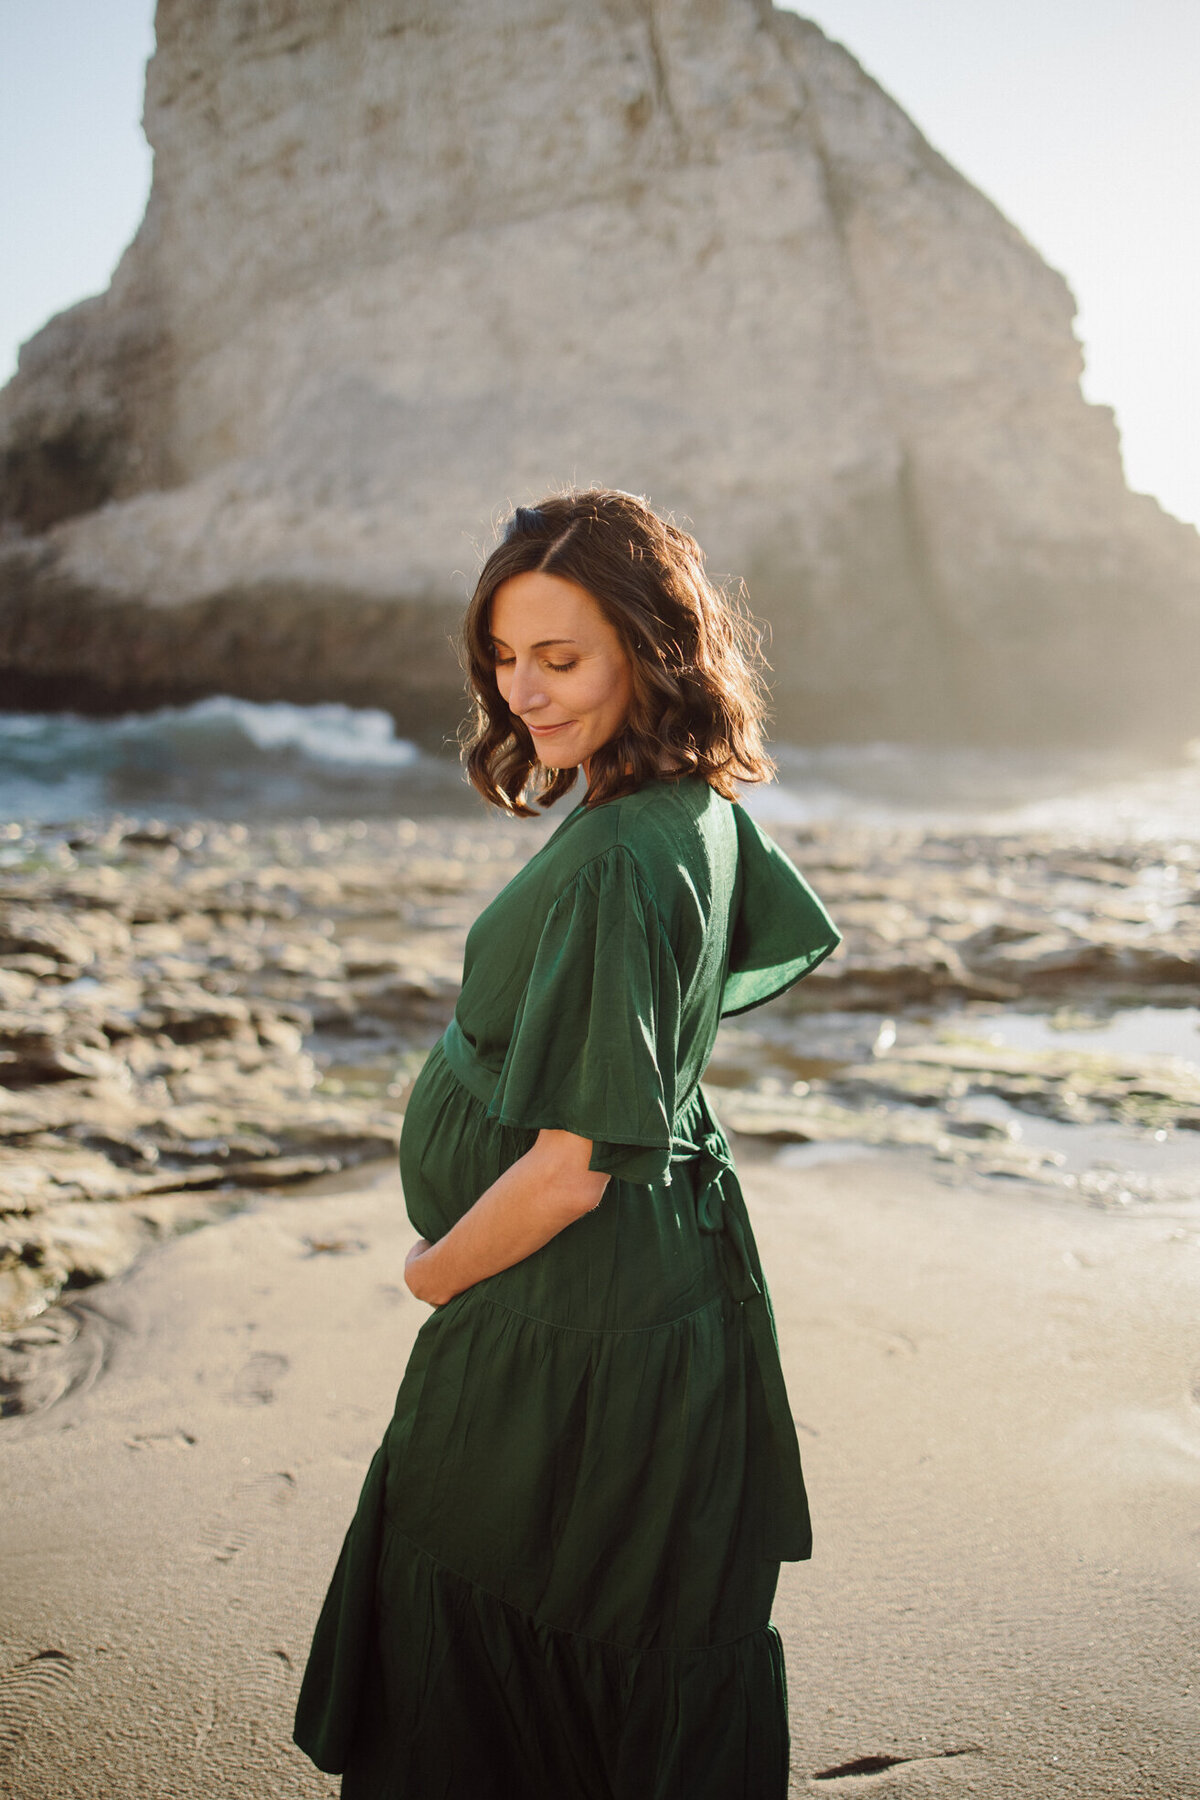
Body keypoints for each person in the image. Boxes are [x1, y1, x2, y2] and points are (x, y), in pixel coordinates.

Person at [293, 488, 842, 1798]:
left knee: (476, 1615)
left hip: (575, 1314)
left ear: (650, 651)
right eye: (504, 655)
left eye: (562, 658)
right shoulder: (694, 807)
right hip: (664, 1298)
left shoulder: (619, 855)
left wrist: (431, 1273)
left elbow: (572, 1167)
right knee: (621, 1638)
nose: (524, 692)